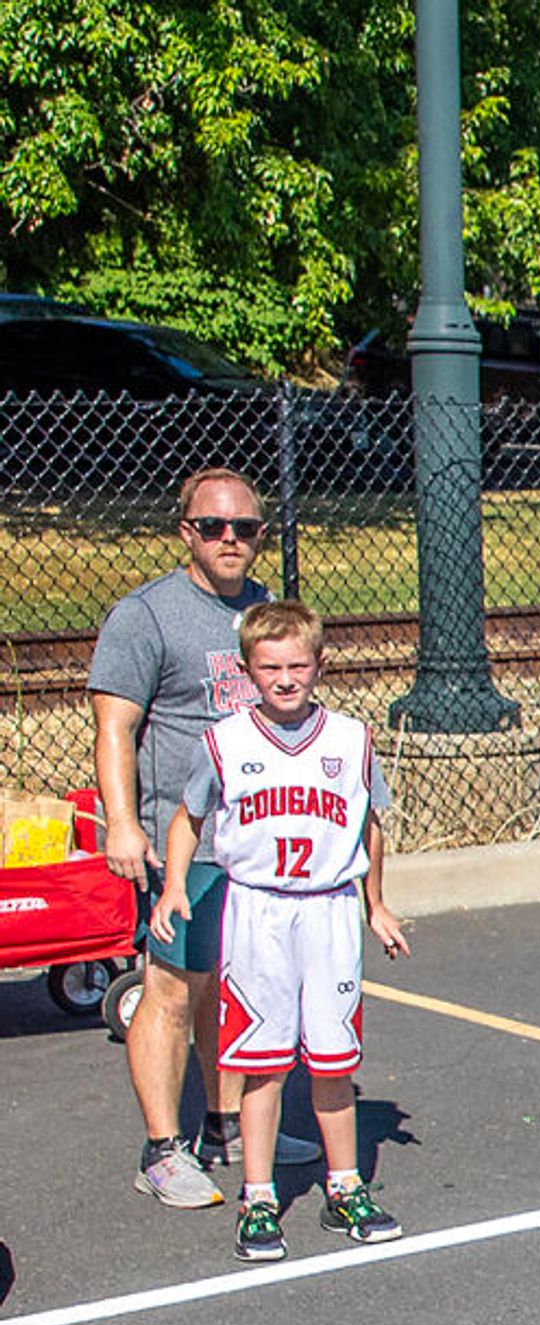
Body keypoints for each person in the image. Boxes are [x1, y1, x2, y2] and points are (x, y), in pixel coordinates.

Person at [151, 601, 407, 1263]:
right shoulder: (227, 742)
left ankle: (345, 1184)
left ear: (321, 664)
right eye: (270, 667)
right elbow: (187, 819)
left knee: (333, 1059)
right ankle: (258, 1195)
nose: (286, 678)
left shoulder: (351, 739)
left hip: (326, 910)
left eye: (298, 664)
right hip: (259, 910)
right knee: (262, 1064)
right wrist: (176, 884)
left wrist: (374, 903)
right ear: (247, 671)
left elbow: (368, 827)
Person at [90, 467, 307, 1210]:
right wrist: (123, 823)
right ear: (186, 530)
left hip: (259, 844)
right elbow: (115, 726)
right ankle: (162, 1150)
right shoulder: (146, 615)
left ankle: (225, 1125)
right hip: (184, 842)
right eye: (214, 527)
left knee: (235, 989)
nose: (230, 540)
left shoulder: (265, 611)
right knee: (172, 990)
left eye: (244, 528)